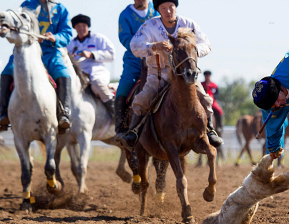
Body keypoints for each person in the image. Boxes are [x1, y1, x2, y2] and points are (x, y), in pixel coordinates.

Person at [120, 0, 223, 150]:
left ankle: (210, 130)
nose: (168, 11)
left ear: (175, 7)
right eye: (164, 8)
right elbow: (134, 46)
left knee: (205, 99)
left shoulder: (189, 24)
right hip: (158, 74)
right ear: (158, 10)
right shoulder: (149, 26)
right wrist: (155, 46)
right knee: (142, 99)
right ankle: (133, 133)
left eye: (171, 7)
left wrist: (192, 49)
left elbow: (206, 44)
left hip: (185, 74)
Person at [0, 0, 73, 132]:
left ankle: (63, 114)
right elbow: (17, 24)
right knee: (6, 72)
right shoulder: (27, 4)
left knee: (63, 74)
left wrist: (55, 37)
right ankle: (3, 113)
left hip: (50, 52)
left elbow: (67, 34)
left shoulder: (61, 9)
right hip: (26, 50)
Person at [115, 0, 159, 138]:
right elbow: (125, 38)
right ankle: (120, 128)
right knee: (123, 87)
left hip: (157, 57)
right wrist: (142, 48)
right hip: (134, 60)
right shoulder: (125, 15)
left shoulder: (157, 10)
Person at [67, 14, 116, 116]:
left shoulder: (98, 38)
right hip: (80, 73)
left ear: (88, 26)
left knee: (97, 84)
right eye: (78, 26)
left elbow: (112, 54)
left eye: (83, 26)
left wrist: (92, 54)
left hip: (97, 71)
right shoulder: (70, 44)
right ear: (75, 28)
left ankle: (116, 114)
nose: (81, 29)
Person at [202, 70, 223, 135]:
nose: (207, 77)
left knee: (219, 111)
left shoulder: (214, 85)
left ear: (210, 76)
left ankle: (219, 126)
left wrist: (212, 97)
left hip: (212, 102)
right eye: (206, 76)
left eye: (208, 76)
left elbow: (218, 94)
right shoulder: (201, 84)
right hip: (203, 102)